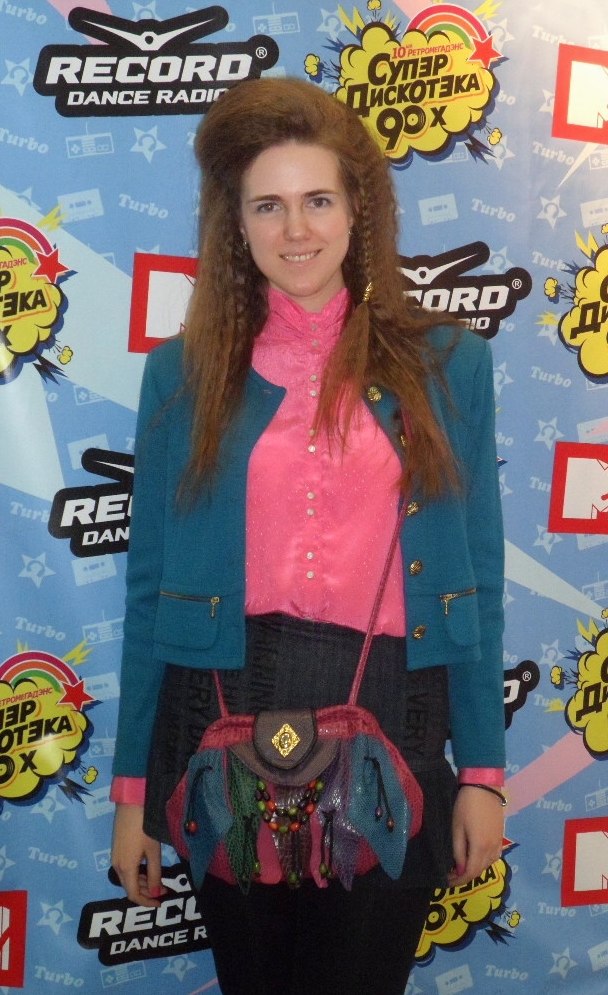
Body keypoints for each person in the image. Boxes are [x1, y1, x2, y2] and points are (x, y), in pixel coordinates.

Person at [111, 77, 506, 995]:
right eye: (269, 205)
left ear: (358, 210)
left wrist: (483, 772)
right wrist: (133, 794)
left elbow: (477, 579)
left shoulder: (450, 365)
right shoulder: (181, 374)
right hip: (220, 710)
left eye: (318, 199)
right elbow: (149, 588)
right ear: (236, 224)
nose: (296, 229)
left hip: (398, 712)